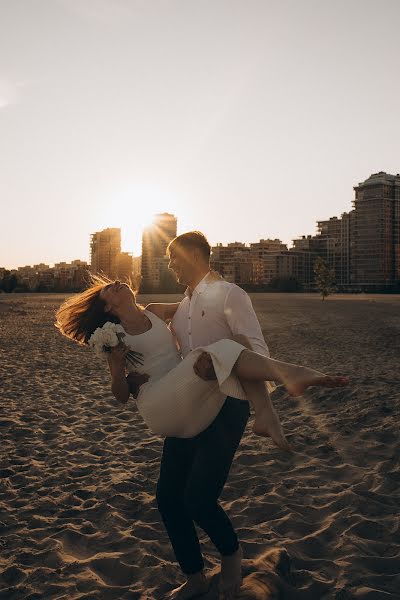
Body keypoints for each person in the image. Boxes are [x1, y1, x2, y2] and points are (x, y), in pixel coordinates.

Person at [55, 234, 348, 600]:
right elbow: (120, 393)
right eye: (106, 294)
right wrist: (120, 372)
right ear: (109, 310)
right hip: (168, 402)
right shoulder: (129, 330)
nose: (170, 266)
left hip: (201, 400)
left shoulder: (189, 303)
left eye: (175, 259)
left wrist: (258, 400)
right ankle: (289, 375)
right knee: (209, 359)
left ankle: (207, 573)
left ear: (194, 255)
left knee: (179, 498)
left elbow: (228, 336)